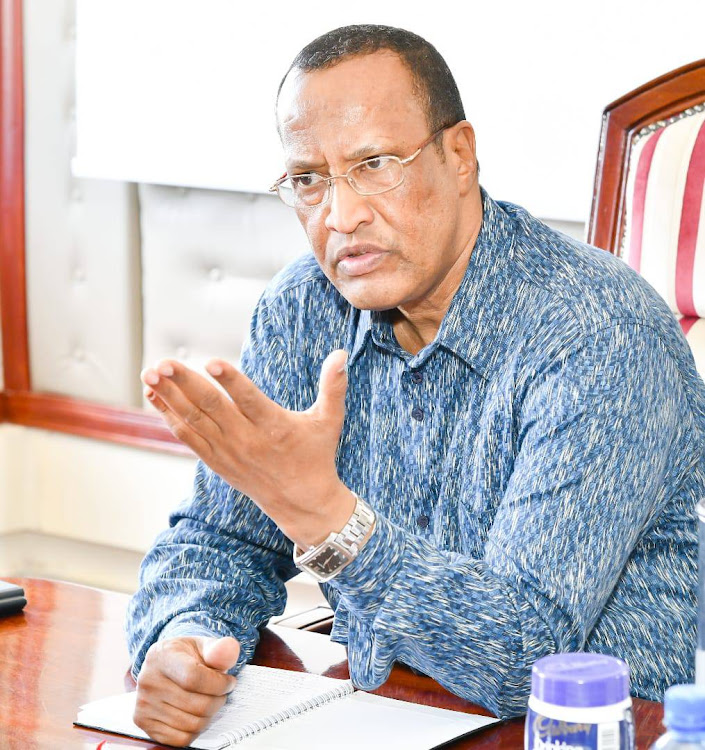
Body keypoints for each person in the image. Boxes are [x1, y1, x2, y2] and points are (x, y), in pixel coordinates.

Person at [127, 24, 705, 747]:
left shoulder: (599, 334)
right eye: (308, 179)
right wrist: (186, 642)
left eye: (373, 164)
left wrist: (324, 516)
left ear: (458, 154)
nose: (340, 216)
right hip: (370, 719)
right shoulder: (304, 306)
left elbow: (521, 659)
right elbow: (217, 541)